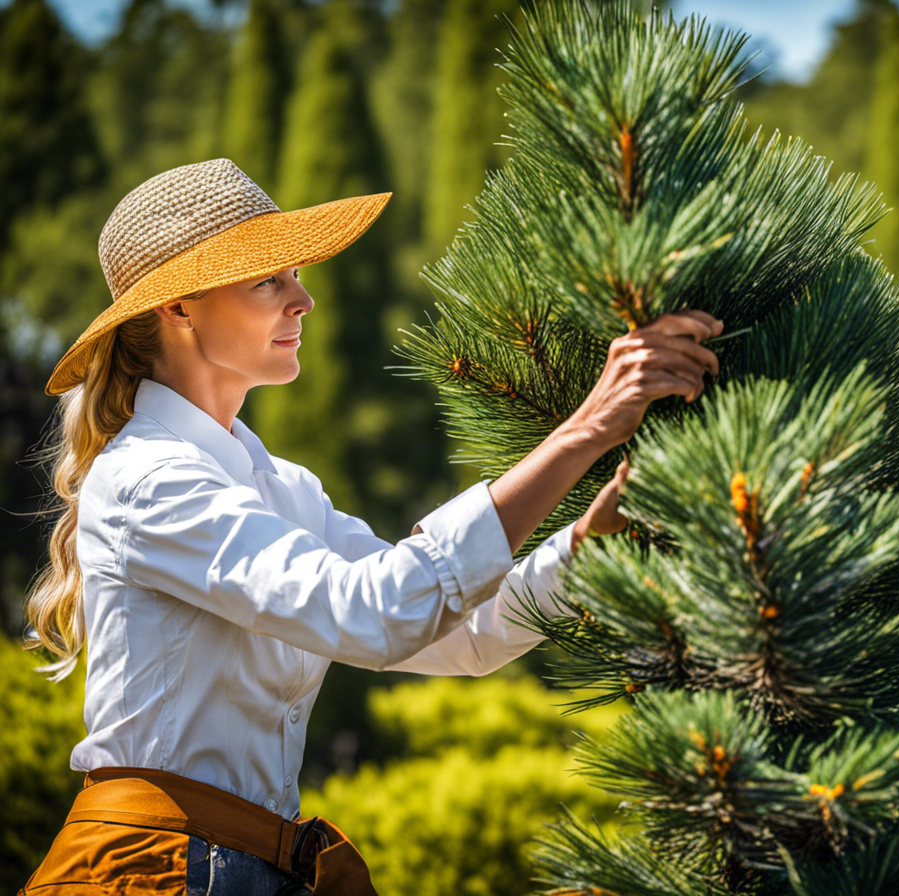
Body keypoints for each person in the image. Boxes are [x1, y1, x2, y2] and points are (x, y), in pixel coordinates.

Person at [18, 158, 722, 895]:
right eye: (270, 280)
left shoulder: (284, 490)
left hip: (241, 867)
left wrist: (584, 549)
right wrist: (583, 432)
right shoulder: (147, 478)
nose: (304, 300)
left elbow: (457, 632)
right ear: (180, 308)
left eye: (295, 276)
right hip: (153, 874)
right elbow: (377, 614)